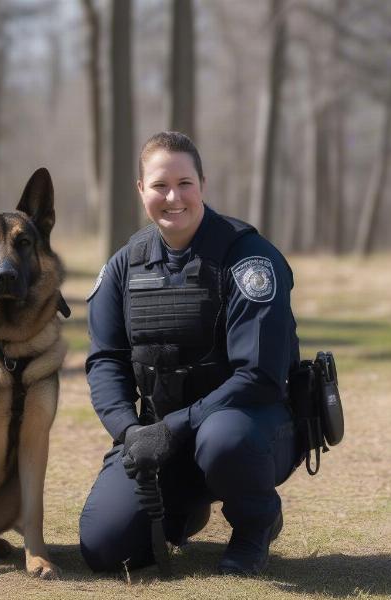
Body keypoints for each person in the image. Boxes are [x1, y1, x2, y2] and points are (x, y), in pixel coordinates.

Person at [79, 131, 302, 576]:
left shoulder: (249, 259)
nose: (173, 196)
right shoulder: (124, 265)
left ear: (202, 183)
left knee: (224, 439)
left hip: (248, 429)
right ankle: (183, 509)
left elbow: (258, 377)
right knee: (106, 549)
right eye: (160, 185)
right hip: (158, 435)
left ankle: (255, 526)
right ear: (141, 189)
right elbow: (105, 361)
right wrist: (129, 432)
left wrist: (173, 428)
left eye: (185, 183)